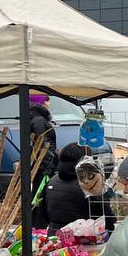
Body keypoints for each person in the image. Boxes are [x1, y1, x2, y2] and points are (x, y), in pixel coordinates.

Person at [44, 143, 93, 233]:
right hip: (81, 238)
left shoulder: (52, 181)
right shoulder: (89, 184)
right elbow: (103, 216)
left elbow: (45, 214)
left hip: (54, 237)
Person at [28, 92, 58, 229]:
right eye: (47, 100)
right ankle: (38, 227)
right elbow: (42, 145)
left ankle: (36, 225)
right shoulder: (39, 120)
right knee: (40, 198)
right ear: (41, 102)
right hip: (43, 166)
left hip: (41, 164)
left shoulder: (37, 118)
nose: (49, 103)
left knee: (39, 197)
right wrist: (48, 167)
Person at [75, 156, 117, 232]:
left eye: (90, 176)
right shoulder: (98, 198)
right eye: (82, 178)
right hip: (100, 234)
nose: (86, 181)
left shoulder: (102, 193)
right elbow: (109, 219)